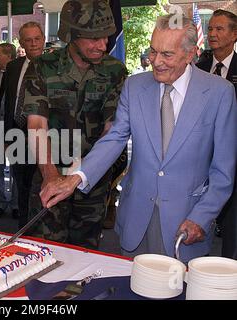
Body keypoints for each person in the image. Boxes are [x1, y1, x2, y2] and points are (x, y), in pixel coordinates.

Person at [41, 14, 237, 262]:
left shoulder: (220, 93)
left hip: (187, 223)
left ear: (190, 55)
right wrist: (75, 178)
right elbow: (114, 139)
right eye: (153, 51)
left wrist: (202, 216)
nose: (156, 61)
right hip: (136, 218)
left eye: (167, 55)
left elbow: (223, 170)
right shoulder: (134, 86)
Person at [22, 0, 127, 249]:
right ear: (71, 35)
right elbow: (37, 123)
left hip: (93, 180)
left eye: (106, 38)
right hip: (50, 171)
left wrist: (82, 174)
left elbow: (112, 129)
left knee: (85, 253)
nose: (103, 46)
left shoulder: (115, 71)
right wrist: (50, 177)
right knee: (42, 251)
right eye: (94, 39)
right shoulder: (43, 67)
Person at [196, 9, 237, 259]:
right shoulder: (198, 67)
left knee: (231, 219)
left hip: (231, 155)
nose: (212, 34)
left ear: (234, 35)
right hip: (199, 155)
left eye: (219, 29)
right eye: (210, 28)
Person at [3, 21, 46, 229]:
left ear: (44, 40)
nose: (34, 44)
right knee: (22, 186)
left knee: (44, 187)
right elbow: (8, 104)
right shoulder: (12, 67)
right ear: (21, 43)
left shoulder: (56, 68)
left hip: (47, 140)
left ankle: (44, 233)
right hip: (17, 137)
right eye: (28, 40)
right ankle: (24, 231)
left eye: (37, 39)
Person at [0, 43, 18, 218]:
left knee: (16, 168)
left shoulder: (20, 73)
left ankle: (16, 204)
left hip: (15, 129)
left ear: (8, 56)